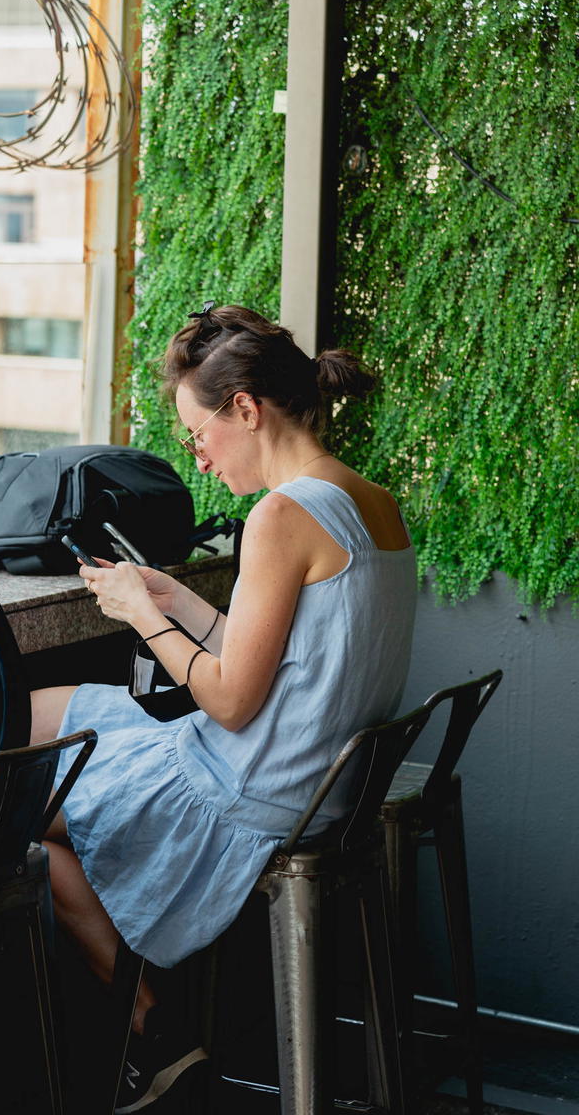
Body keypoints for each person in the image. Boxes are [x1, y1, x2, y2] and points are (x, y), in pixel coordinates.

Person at [30, 303, 417, 1112]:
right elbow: (295, 660)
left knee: (22, 798)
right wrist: (180, 602)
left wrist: (143, 615)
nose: (197, 458)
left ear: (246, 408)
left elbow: (235, 701)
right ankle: (153, 1029)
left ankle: (152, 1034)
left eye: (199, 432)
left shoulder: (281, 515)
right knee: (49, 715)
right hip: (320, 781)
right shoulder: (370, 500)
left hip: (249, 786)